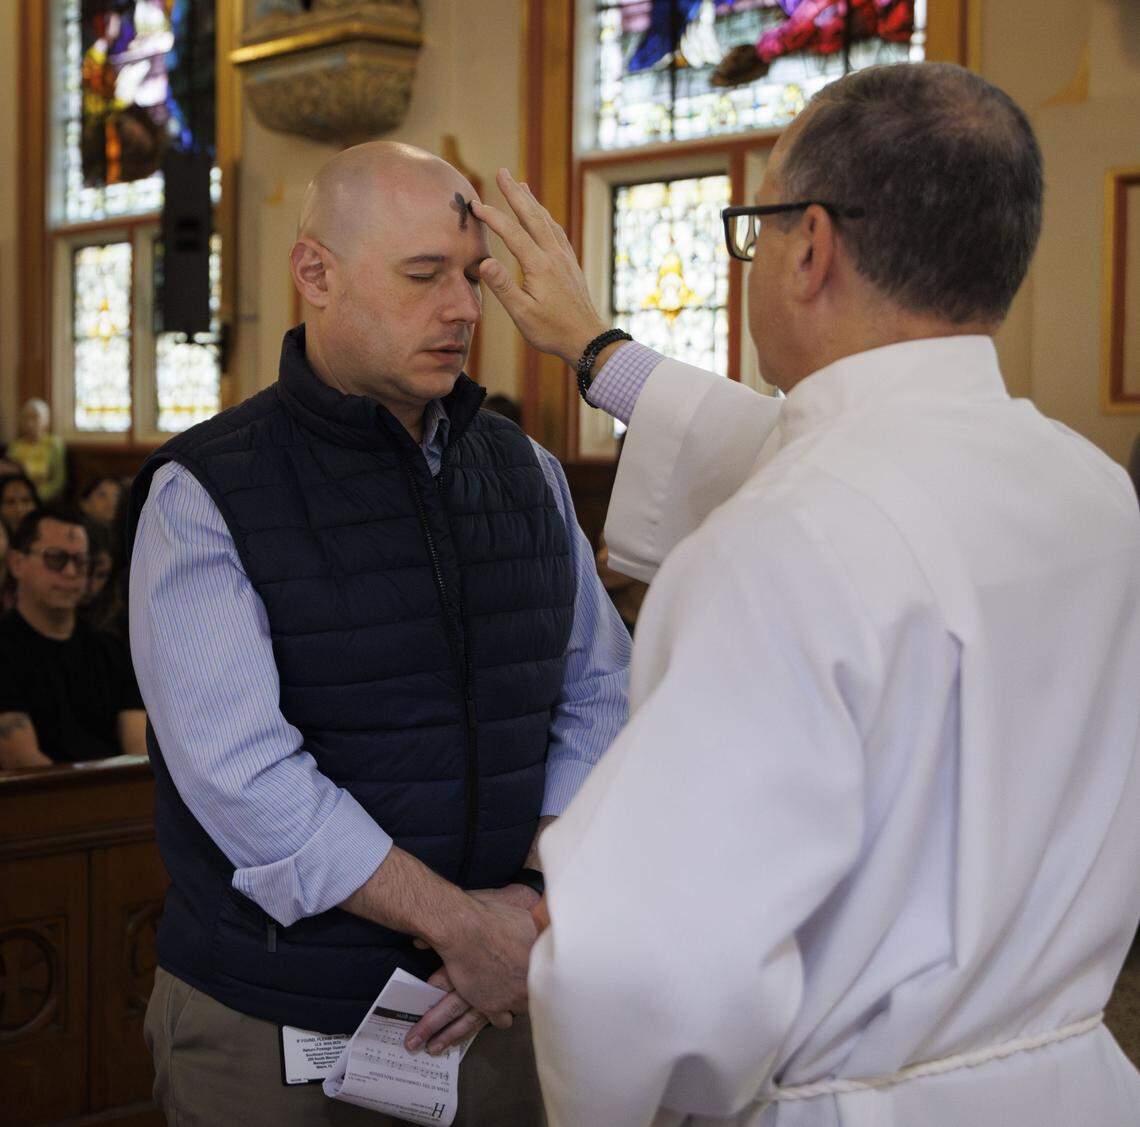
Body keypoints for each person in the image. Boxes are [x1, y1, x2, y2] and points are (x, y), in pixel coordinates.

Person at [469, 62, 1140, 1125]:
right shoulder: (1097, 495)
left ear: (812, 245)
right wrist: (600, 354)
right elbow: (835, 460)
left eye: (756, 229)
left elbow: (637, 971)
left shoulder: (778, 539)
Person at [127, 141, 630, 1125]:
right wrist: (460, 922)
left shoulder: (525, 468)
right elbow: (244, 775)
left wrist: (536, 900)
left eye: (473, 277)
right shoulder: (204, 490)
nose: (464, 310)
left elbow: (599, 691)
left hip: (495, 998)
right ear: (315, 273)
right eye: (423, 276)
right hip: (278, 1021)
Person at [0, 506, 147, 769]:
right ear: (16, 563)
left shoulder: (111, 650)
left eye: (81, 561)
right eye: (55, 559)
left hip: (116, 797)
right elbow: (20, 759)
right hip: (42, 801)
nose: (70, 572)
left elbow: (138, 750)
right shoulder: (5, 648)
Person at [8, 398, 66, 502]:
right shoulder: (15, 446)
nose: (30, 423)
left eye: (35, 417)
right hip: (18, 497)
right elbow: (10, 478)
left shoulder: (54, 444)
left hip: (45, 498)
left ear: (46, 420)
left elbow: (58, 480)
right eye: (26, 417)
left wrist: (36, 496)